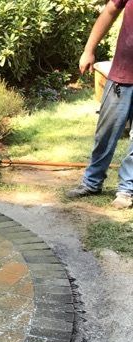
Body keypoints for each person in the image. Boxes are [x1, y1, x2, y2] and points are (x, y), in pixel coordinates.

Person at [68, 0, 133, 208]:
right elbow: (109, 11)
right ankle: (91, 182)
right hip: (122, 74)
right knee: (105, 133)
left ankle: (126, 189)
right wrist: (89, 50)